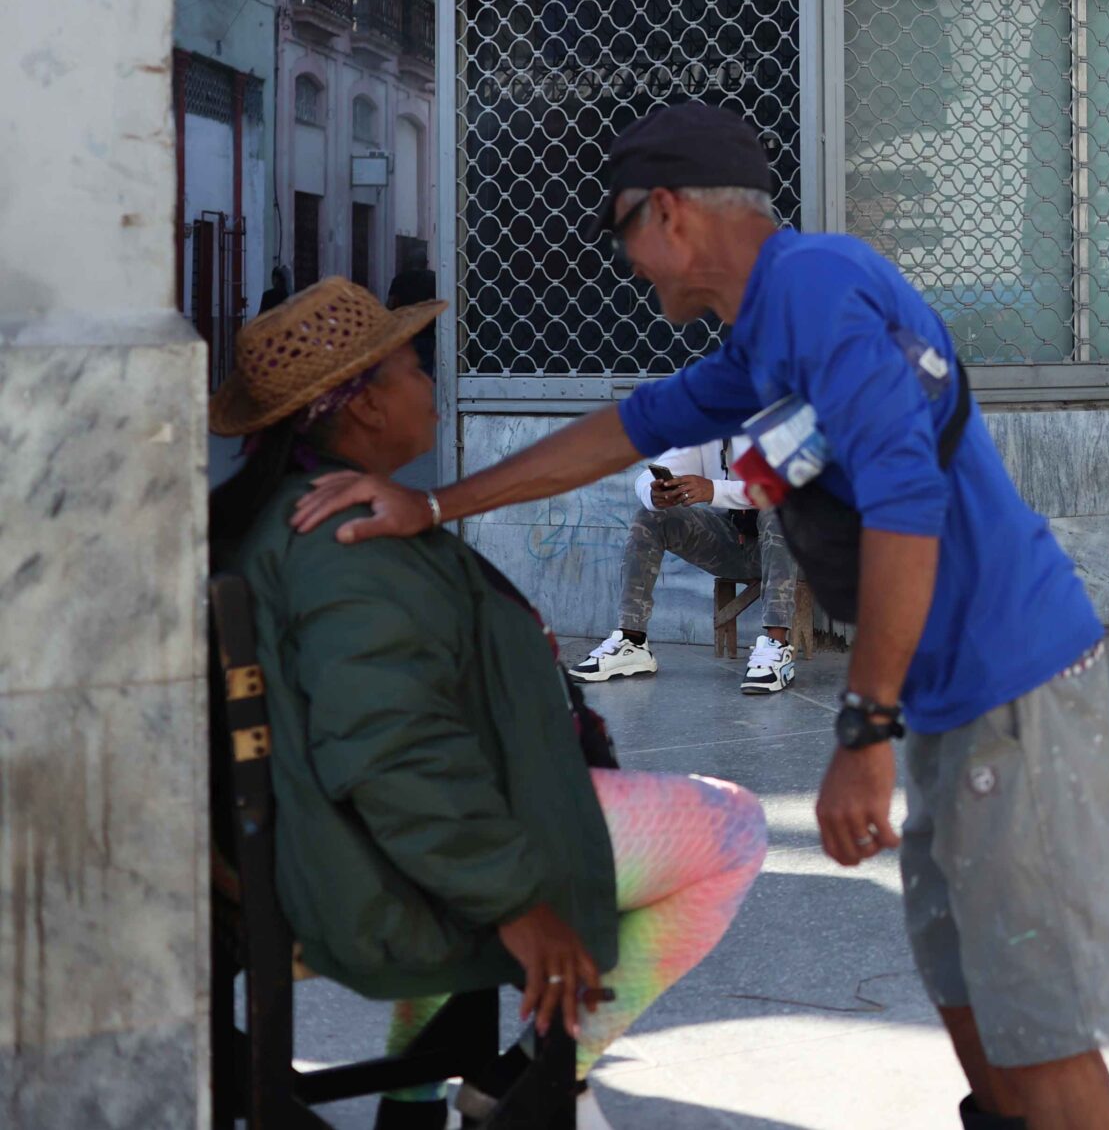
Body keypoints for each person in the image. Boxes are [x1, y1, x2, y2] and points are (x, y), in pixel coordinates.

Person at [291, 103, 1109, 1130]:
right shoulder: (761, 334)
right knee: (969, 996)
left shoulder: (816, 286)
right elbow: (623, 431)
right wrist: (434, 503)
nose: (631, 265)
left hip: (1013, 683)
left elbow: (910, 509)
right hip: (952, 700)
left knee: (1038, 1028)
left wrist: (863, 729)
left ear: (670, 215)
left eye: (624, 234)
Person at [209, 279, 766, 1130]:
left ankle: (413, 1102)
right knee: (732, 829)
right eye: (412, 369)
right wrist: (517, 904)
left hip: (362, 829)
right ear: (359, 409)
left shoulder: (302, 510)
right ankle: (527, 1080)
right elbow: (393, 756)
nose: (431, 386)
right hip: (370, 859)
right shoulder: (343, 542)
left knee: (453, 807)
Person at [572, 430, 803, 695]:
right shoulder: (715, 431)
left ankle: (777, 647)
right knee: (651, 516)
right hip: (742, 545)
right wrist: (654, 492)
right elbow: (647, 476)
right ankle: (632, 642)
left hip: (804, 551)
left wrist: (713, 489)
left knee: (780, 510)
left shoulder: (788, 419)